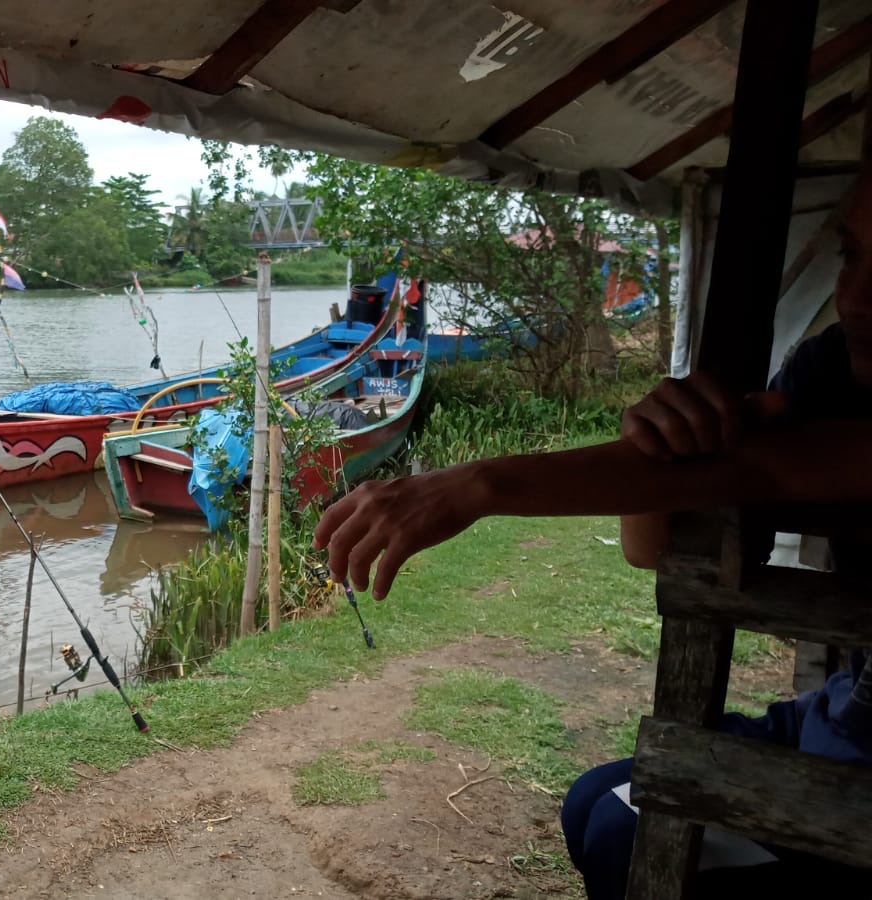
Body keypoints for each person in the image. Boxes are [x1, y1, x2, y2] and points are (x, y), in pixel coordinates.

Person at [312, 169, 872, 898]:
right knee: (594, 801)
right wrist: (662, 443)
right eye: (853, 257)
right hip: (845, 713)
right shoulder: (833, 369)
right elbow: (655, 548)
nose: (857, 298)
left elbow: (785, 468)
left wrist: (479, 485)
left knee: (619, 827)